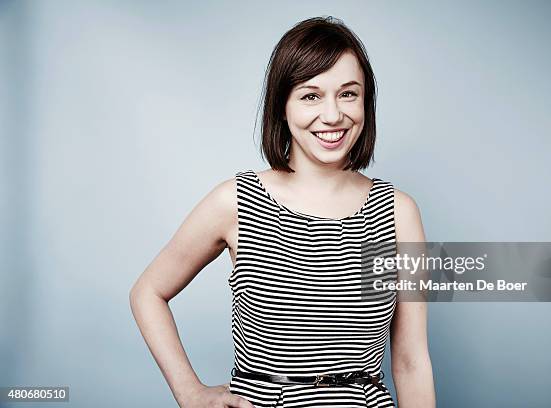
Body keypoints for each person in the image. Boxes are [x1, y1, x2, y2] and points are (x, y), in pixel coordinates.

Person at [129, 16, 435, 408]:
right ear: (283, 105)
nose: (332, 115)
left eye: (348, 94)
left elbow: (410, 362)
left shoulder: (398, 213)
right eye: (310, 95)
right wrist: (189, 392)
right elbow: (148, 292)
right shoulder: (235, 202)